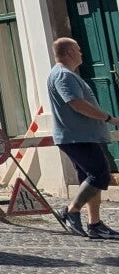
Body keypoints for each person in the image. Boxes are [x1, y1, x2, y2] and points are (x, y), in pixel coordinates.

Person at [50, 37, 119, 238]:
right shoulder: (63, 75)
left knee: (89, 180)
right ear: (70, 52)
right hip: (77, 136)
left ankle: (94, 224)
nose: (81, 53)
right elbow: (76, 103)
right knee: (99, 175)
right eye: (78, 49)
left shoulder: (66, 74)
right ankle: (70, 211)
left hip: (81, 135)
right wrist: (109, 118)